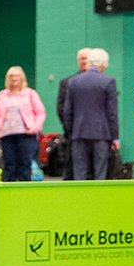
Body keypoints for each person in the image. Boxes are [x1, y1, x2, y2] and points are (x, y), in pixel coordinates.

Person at [62, 48, 119, 180]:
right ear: (103, 63)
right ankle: (98, 199)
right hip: (101, 134)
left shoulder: (73, 81)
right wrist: (114, 137)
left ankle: (81, 199)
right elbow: (112, 113)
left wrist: (72, 132)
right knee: (100, 174)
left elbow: (67, 111)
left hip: (78, 133)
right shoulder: (108, 81)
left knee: (80, 174)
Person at [0, 66, 46, 182]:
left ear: (22, 78)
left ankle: (24, 193)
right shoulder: (3, 94)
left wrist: (35, 128)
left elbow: (40, 112)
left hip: (25, 135)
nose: (14, 78)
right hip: (6, 135)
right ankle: (9, 193)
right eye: (11, 76)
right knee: (9, 165)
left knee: (24, 164)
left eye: (17, 76)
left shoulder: (30, 93)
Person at [57, 48, 90, 180]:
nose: (84, 61)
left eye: (87, 58)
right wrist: (70, 129)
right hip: (73, 134)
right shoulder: (67, 82)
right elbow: (61, 108)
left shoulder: (102, 82)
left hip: (95, 135)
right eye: (82, 58)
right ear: (78, 61)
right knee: (72, 171)